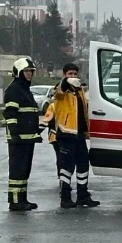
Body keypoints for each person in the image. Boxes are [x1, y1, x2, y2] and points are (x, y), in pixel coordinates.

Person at [42, 63, 99, 209]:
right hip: (66, 133)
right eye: (70, 74)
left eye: (74, 74)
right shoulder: (61, 89)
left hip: (79, 133)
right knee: (66, 167)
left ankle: (83, 195)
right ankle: (65, 197)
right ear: (64, 74)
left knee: (83, 165)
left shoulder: (79, 90)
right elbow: (59, 93)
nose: (73, 76)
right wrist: (66, 82)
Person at [3, 57, 43, 212]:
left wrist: (37, 130)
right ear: (18, 72)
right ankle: (15, 202)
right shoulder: (14, 90)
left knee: (24, 170)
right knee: (17, 171)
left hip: (28, 138)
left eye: (31, 71)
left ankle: (22, 199)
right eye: (26, 71)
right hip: (18, 139)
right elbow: (10, 113)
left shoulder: (25, 90)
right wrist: (14, 132)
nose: (29, 74)